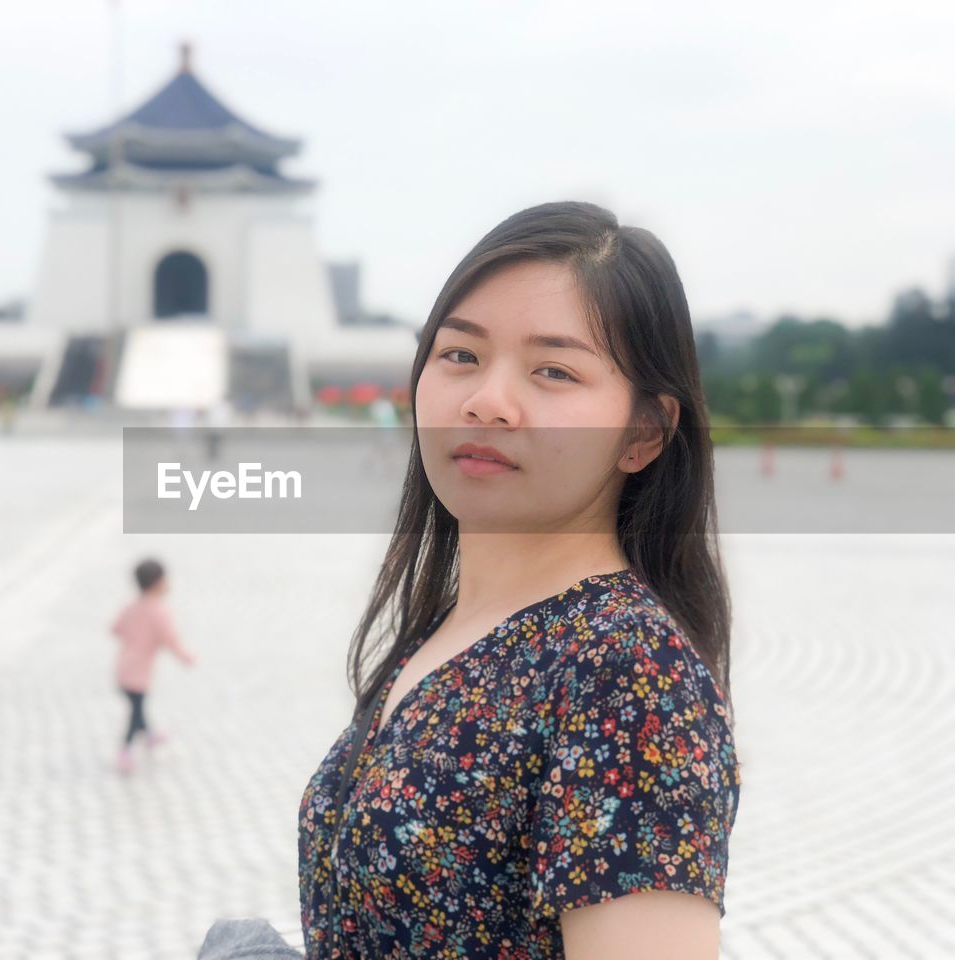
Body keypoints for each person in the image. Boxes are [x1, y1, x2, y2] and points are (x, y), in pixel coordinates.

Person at [297, 202, 742, 959]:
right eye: (461, 356)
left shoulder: (625, 671)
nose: (485, 401)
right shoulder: (442, 627)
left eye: (553, 371)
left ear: (643, 433)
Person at [109, 558, 196, 775]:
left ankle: (148, 734)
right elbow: (169, 639)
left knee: (138, 705)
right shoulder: (159, 612)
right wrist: (185, 657)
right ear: (158, 583)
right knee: (136, 711)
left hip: (123, 668)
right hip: (139, 672)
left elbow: (116, 628)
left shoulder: (130, 606)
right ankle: (126, 749)